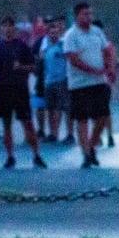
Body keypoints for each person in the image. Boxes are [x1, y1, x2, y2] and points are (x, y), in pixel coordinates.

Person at [62, 2, 116, 168]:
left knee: (102, 116)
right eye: (85, 14)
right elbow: (72, 59)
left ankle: (92, 145)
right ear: (77, 15)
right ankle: (86, 153)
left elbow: (106, 50)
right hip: (79, 83)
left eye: (90, 14)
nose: (88, 17)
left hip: (99, 81)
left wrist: (109, 67)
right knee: (82, 119)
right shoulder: (71, 35)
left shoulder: (97, 32)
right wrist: (92, 70)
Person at [0, 15, 46, 168]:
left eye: (11, 26)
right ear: (2, 29)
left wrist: (21, 67)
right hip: (2, 88)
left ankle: (36, 154)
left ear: (15, 29)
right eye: (5, 26)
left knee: (27, 122)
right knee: (6, 124)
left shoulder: (22, 46)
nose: (8, 29)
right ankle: (10, 156)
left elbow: (34, 68)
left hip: (19, 88)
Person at [38, 10, 72, 144]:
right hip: (48, 82)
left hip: (62, 81)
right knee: (50, 109)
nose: (53, 34)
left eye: (55, 32)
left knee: (64, 108)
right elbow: (40, 60)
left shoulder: (63, 45)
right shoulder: (45, 47)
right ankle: (53, 134)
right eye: (51, 32)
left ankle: (69, 134)